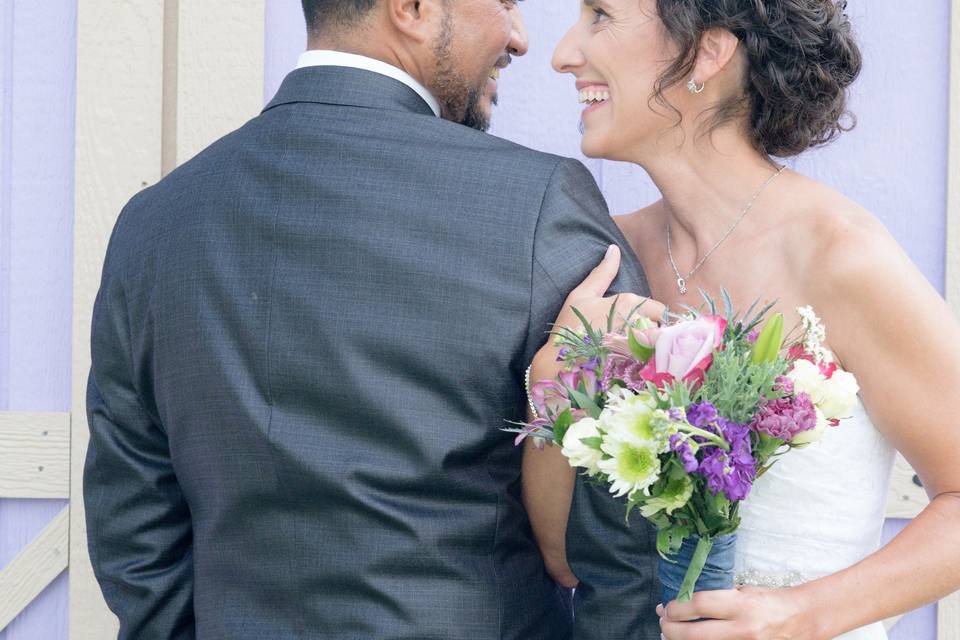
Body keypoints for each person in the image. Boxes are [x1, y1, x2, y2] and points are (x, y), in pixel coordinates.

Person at [82, 0, 662, 638]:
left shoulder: (155, 224)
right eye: (503, 3)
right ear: (410, 9)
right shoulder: (538, 205)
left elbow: (135, 535)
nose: (519, 38)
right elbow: (622, 533)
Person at [524, 1, 960, 638]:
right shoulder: (607, 261)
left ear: (706, 54)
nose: (562, 53)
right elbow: (563, 559)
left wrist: (802, 615)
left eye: (601, 15)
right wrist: (552, 371)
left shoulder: (840, 256)